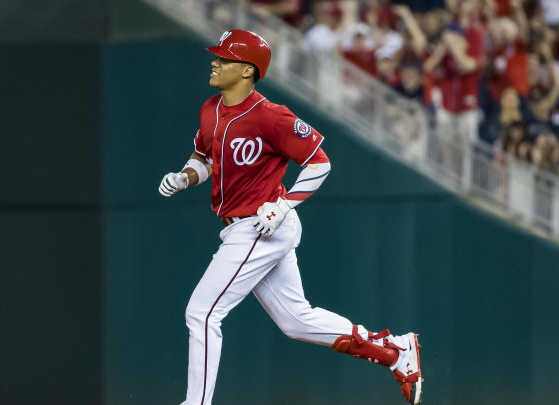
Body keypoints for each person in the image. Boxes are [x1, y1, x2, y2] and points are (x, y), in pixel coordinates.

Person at [158, 29, 423, 405]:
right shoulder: (210, 109)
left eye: (225, 58)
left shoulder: (271, 117)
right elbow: (203, 158)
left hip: (260, 226)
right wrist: (185, 176)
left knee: (201, 314)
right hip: (245, 227)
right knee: (296, 320)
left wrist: (283, 205)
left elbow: (320, 162)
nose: (215, 62)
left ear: (248, 70)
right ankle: (394, 352)